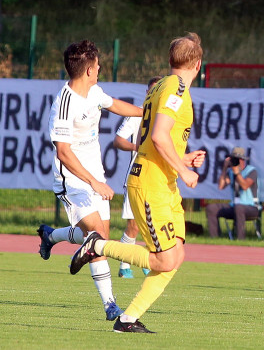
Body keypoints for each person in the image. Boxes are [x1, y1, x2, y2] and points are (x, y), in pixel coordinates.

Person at [69, 32, 206, 334]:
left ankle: (127, 320)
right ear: (198, 64)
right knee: (164, 259)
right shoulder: (176, 89)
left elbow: (155, 140)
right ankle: (97, 244)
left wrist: (183, 160)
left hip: (164, 182)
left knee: (176, 256)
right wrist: (184, 172)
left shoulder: (161, 86)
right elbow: (157, 136)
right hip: (152, 184)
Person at [39, 40, 143, 320]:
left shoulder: (94, 91)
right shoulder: (64, 103)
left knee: (99, 238)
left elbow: (115, 105)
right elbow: (63, 152)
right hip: (73, 180)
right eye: (97, 66)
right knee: (96, 235)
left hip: (95, 175)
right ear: (88, 70)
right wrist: (93, 183)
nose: (100, 69)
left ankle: (51, 236)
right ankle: (110, 305)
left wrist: (146, 112)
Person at [113, 75, 162, 278]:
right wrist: (137, 147)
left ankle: (147, 260)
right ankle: (124, 266)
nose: (154, 94)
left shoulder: (165, 117)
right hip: (137, 176)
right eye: (151, 90)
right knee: (133, 225)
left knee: (153, 224)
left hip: (157, 178)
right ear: (147, 92)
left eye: (158, 90)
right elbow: (118, 140)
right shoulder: (137, 114)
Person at [206, 147, 260, 240]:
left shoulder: (251, 171)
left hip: (251, 207)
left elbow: (245, 186)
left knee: (239, 208)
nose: (235, 162)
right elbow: (221, 186)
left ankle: (240, 239)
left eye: (237, 159)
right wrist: (224, 168)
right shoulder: (230, 172)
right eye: (233, 159)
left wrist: (237, 173)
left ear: (242, 160)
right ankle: (215, 238)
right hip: (234, 206)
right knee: (212, 208)